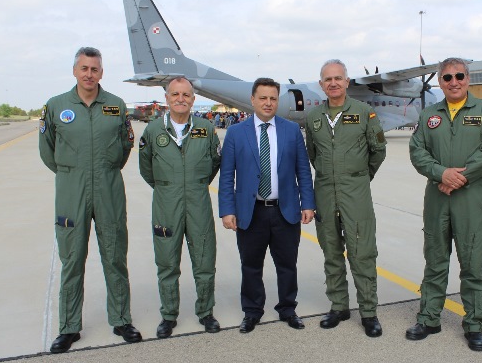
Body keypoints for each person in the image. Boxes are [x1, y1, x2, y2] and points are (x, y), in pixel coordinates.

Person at [39, 47, 142, 353]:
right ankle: (69, 327)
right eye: (84, 68)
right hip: (72, 192)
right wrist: (72, 174)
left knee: (114, 256)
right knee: (72, 260)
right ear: (75, 71)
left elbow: (125, 146)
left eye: (94, 69)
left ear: (101, 72)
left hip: (109, 190)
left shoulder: (116, 105)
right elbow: (47, 151)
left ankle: (122, 319)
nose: (89, 74)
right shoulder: (56, 106)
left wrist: (104, 171)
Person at [407, 57, 482, 351]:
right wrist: (441, 174)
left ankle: (474, 324)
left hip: (471, 199)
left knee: (473, 264)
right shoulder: (428, 115)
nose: (454, 82)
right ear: (440, 82)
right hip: (437, 199)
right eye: (447, 78)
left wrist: (459, 177)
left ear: (468, 78)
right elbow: (417, 150)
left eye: (459, 76)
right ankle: (429, 317)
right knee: (435, 261)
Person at [218, 77, 315, 333]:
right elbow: (227, 175)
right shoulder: (236, 133)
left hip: (285, 211)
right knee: (251, 265)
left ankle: (287, 308)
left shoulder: (291, 130)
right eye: (263, 98)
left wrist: (308, 203)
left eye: (273, 98)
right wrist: (227, 210)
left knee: (287, 264)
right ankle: (252, 311)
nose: (268, 103)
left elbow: (303, 170)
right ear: (253, 100)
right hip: (251, 211)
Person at [305, 59, 387, 338]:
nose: (333, 83)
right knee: (331, 252)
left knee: (362, 252)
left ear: (347, 82)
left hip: (356, 193)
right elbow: (313, 154)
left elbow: (378, 151)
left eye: (338, 78)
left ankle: (368, 312)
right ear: (321, 84)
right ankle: (339, 306)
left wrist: (360, 178)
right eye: (328, 79)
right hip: (325, 192)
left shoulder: (365, 113)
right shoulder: (313, 118)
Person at [138, 77, 222, 338]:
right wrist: (168, 187)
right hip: (166, 205)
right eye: (175, 94)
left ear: (193, 99)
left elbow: (214, 163)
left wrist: (194, 186)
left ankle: (206, 312)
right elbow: (146, 168)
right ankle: (169, 315)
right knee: (167, 263)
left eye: (186, 94)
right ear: (167, 98)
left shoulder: (206, 129)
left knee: (205, 261)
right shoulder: (153, 131)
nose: (181, 99)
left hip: (198, 203)